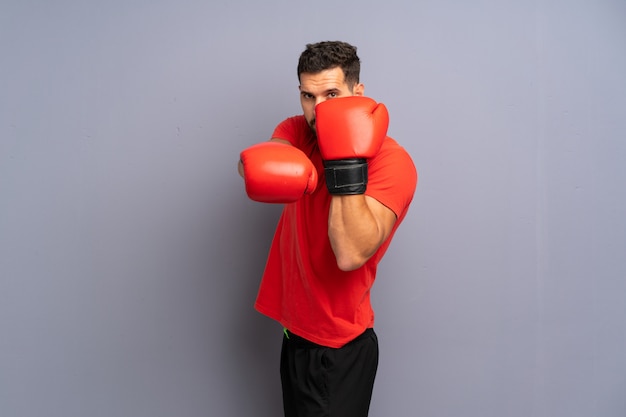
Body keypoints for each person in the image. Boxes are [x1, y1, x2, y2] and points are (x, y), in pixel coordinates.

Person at [237, 41, 417, 417]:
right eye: (308, 95)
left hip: (338, 349)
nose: (318, 110)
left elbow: (351, 253)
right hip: (294, 335)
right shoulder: (299, 132)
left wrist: (344, 157)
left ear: (358, 92)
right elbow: (254, 166)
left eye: (332, 95)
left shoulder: (393, 164)